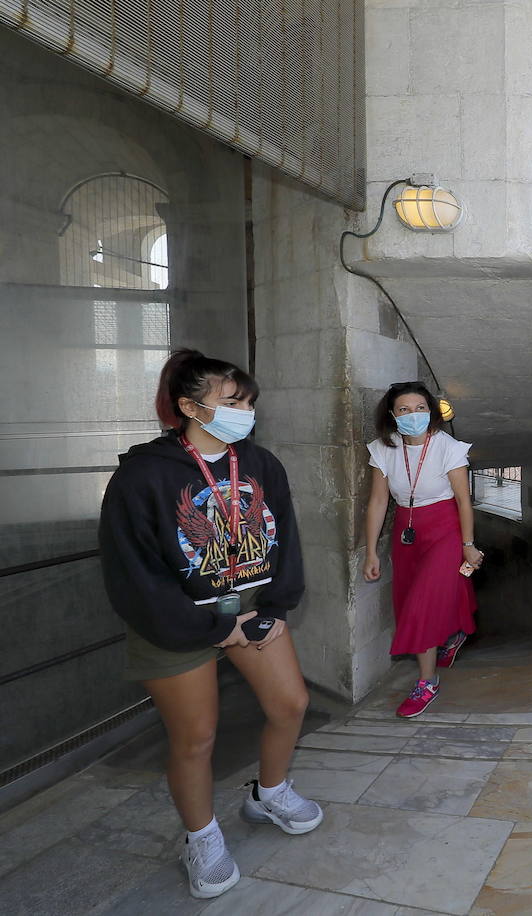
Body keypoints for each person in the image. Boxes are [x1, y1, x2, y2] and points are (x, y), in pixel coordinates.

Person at [98, 349, 322, 900]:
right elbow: (133, 569)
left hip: (252, 605)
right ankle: (201, 837)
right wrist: (208, 628)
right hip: (174, 617)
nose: (244, 411)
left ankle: (269, 792)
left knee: (290, 704)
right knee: (196, 738)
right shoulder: (143, 475)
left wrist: (272, 606)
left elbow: (284, 540)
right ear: (189, 408)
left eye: (248, 401)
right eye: (231, 402)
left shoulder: (262, 464)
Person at [362, 381, 481, 717]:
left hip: (444, 527)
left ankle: (427, 681)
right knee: (410, 594)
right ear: (392, 414)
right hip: (407, 528)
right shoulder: (384, 448)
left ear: (430, 412)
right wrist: (371, 551)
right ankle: (453, 635)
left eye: (419, 408)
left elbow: (463, 500)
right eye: (403, 409)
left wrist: (468, 545)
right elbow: (378, 501)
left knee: (422, 601)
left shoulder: (448, 447)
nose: (412, 415)